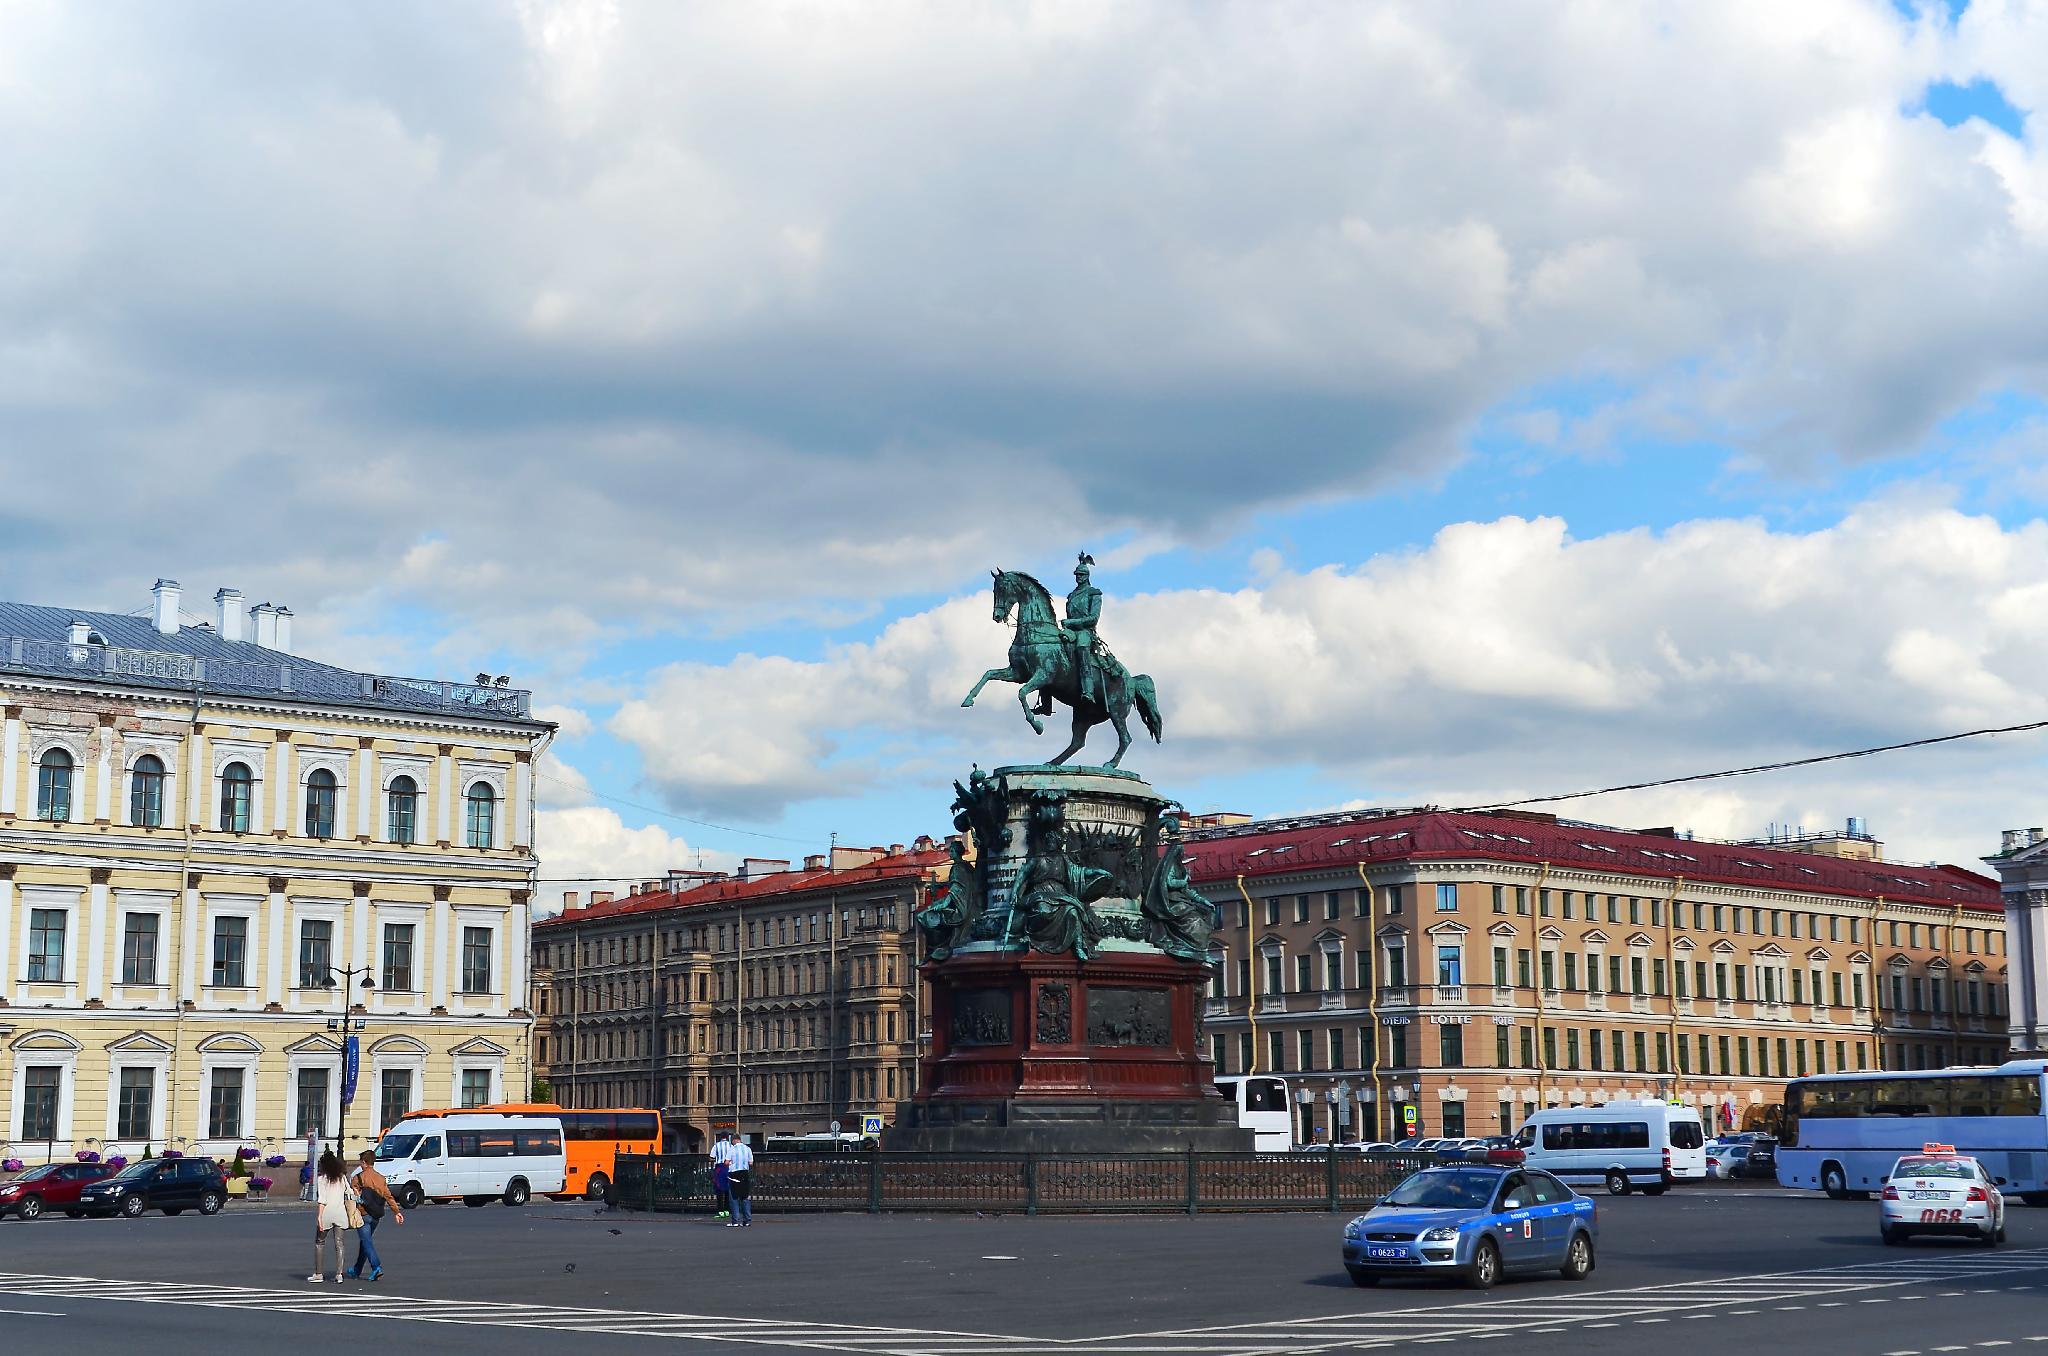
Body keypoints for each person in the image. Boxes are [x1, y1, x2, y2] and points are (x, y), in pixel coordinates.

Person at [348, 1149, 405, 1281]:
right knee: (365, 1241)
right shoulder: (381, 1178)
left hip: (363, 1213)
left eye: (361, 1163)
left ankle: (376, 1267)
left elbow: (352, 1195)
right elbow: (388, 1196)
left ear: (364, 1162)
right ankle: (357, 1269)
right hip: (376, 1215)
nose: (360, 1165)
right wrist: (397, 1212)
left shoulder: (359, 1178)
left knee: (366, 1241)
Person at [308, 1151, 351, 1283]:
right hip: (340, 1213)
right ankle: (339, 1274)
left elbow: (322, 1200)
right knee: (339, 1244)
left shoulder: (322, 1180)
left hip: (327, 1213)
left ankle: (319, 1273)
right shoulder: (342, 1177)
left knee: (320, 1242)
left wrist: (319, 1216)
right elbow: (349, 1192)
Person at [726, 1135, 755, 1228]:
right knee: (744, 1197)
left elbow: (726, 1162)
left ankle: (735, 1221)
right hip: (744, 1173)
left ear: (734, 1140)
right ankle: (747, 1220)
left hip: (734, 1174)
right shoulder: (748, 1149)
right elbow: (751, 1163)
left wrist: (730, 1163)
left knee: (734, 1198)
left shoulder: (732, 1149)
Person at [710, 1131, 732, 1221]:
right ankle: (727, 1211)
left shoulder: (716, 1145)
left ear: (720, 1137)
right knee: (728, 1189)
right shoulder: (731, 1146)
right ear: (727, 1137)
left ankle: (720, 1211)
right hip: (729, 1168)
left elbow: (711, 1157)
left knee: (719, 1189)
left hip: (719, 1168)